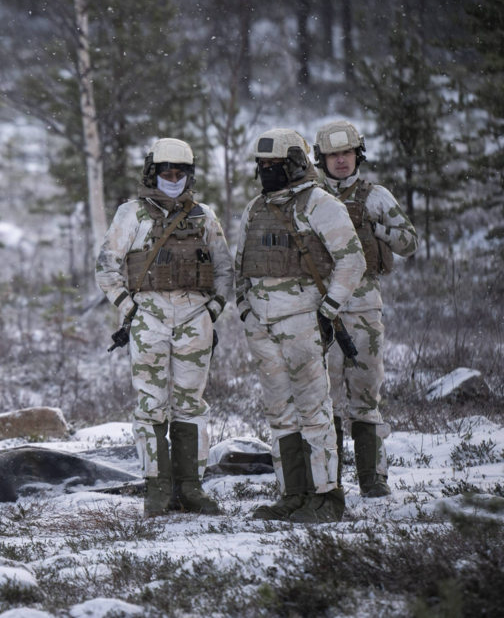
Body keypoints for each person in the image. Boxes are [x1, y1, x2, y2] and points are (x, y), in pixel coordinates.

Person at [234, 129, 365, 523]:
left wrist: (327, 310)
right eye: (263, 166)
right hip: (262, 327)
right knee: (280, 413)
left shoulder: (320, 204)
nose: (267, 172)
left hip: (304, 322)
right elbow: (241, 266)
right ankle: (293, 494)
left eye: (275, 165)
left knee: (313, 411)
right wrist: (245, 311)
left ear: (294, 163)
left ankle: (326, 497)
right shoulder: (255, 208)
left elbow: (352, 260)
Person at [96, 138, 233, 517]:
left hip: (194, 318)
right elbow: (106, 267)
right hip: (149, 319)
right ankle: (156, 488)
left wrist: (213, 310)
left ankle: (191, 487)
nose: (172, 178)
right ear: (152, 173)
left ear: (190, 175)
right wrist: (130, 308)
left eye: (180, 173)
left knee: (191, 404)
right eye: (165, 172)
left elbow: (224, 269)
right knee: (150, 405)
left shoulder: (204, 216)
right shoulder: (132, 214)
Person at [314, 120, 418, 497]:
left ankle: (373, 480)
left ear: (358, 155)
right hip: (320, 310)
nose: (341, 162)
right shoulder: (308, 197)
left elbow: (409, 242)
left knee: (365, 397)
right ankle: (328, 481)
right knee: (320, 400)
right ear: (320, 158)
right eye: (332, 155)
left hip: (362, 310)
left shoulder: (376, 197)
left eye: (347, 154)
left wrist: (374, 226)